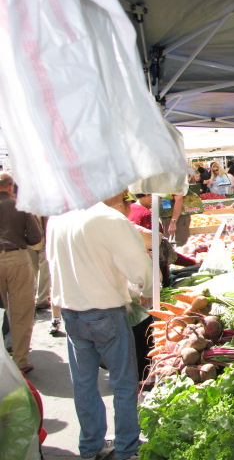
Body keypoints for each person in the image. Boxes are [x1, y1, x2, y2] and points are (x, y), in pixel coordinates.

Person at [46, 189, 153, 460]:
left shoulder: (59, 217)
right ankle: (127, 447)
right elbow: (138, 262)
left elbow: (51, 263)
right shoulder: (108, 218)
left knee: (83, 383)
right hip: (105, 311)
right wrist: (148, 287)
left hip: (71, 311)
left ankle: (91, 446)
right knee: (124, 382)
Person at [0, 172, 43, 373]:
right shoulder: (20, 205)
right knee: (21, 311)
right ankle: (20, 361)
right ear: (10, 186)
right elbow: (35, 237)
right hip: (16, 256)